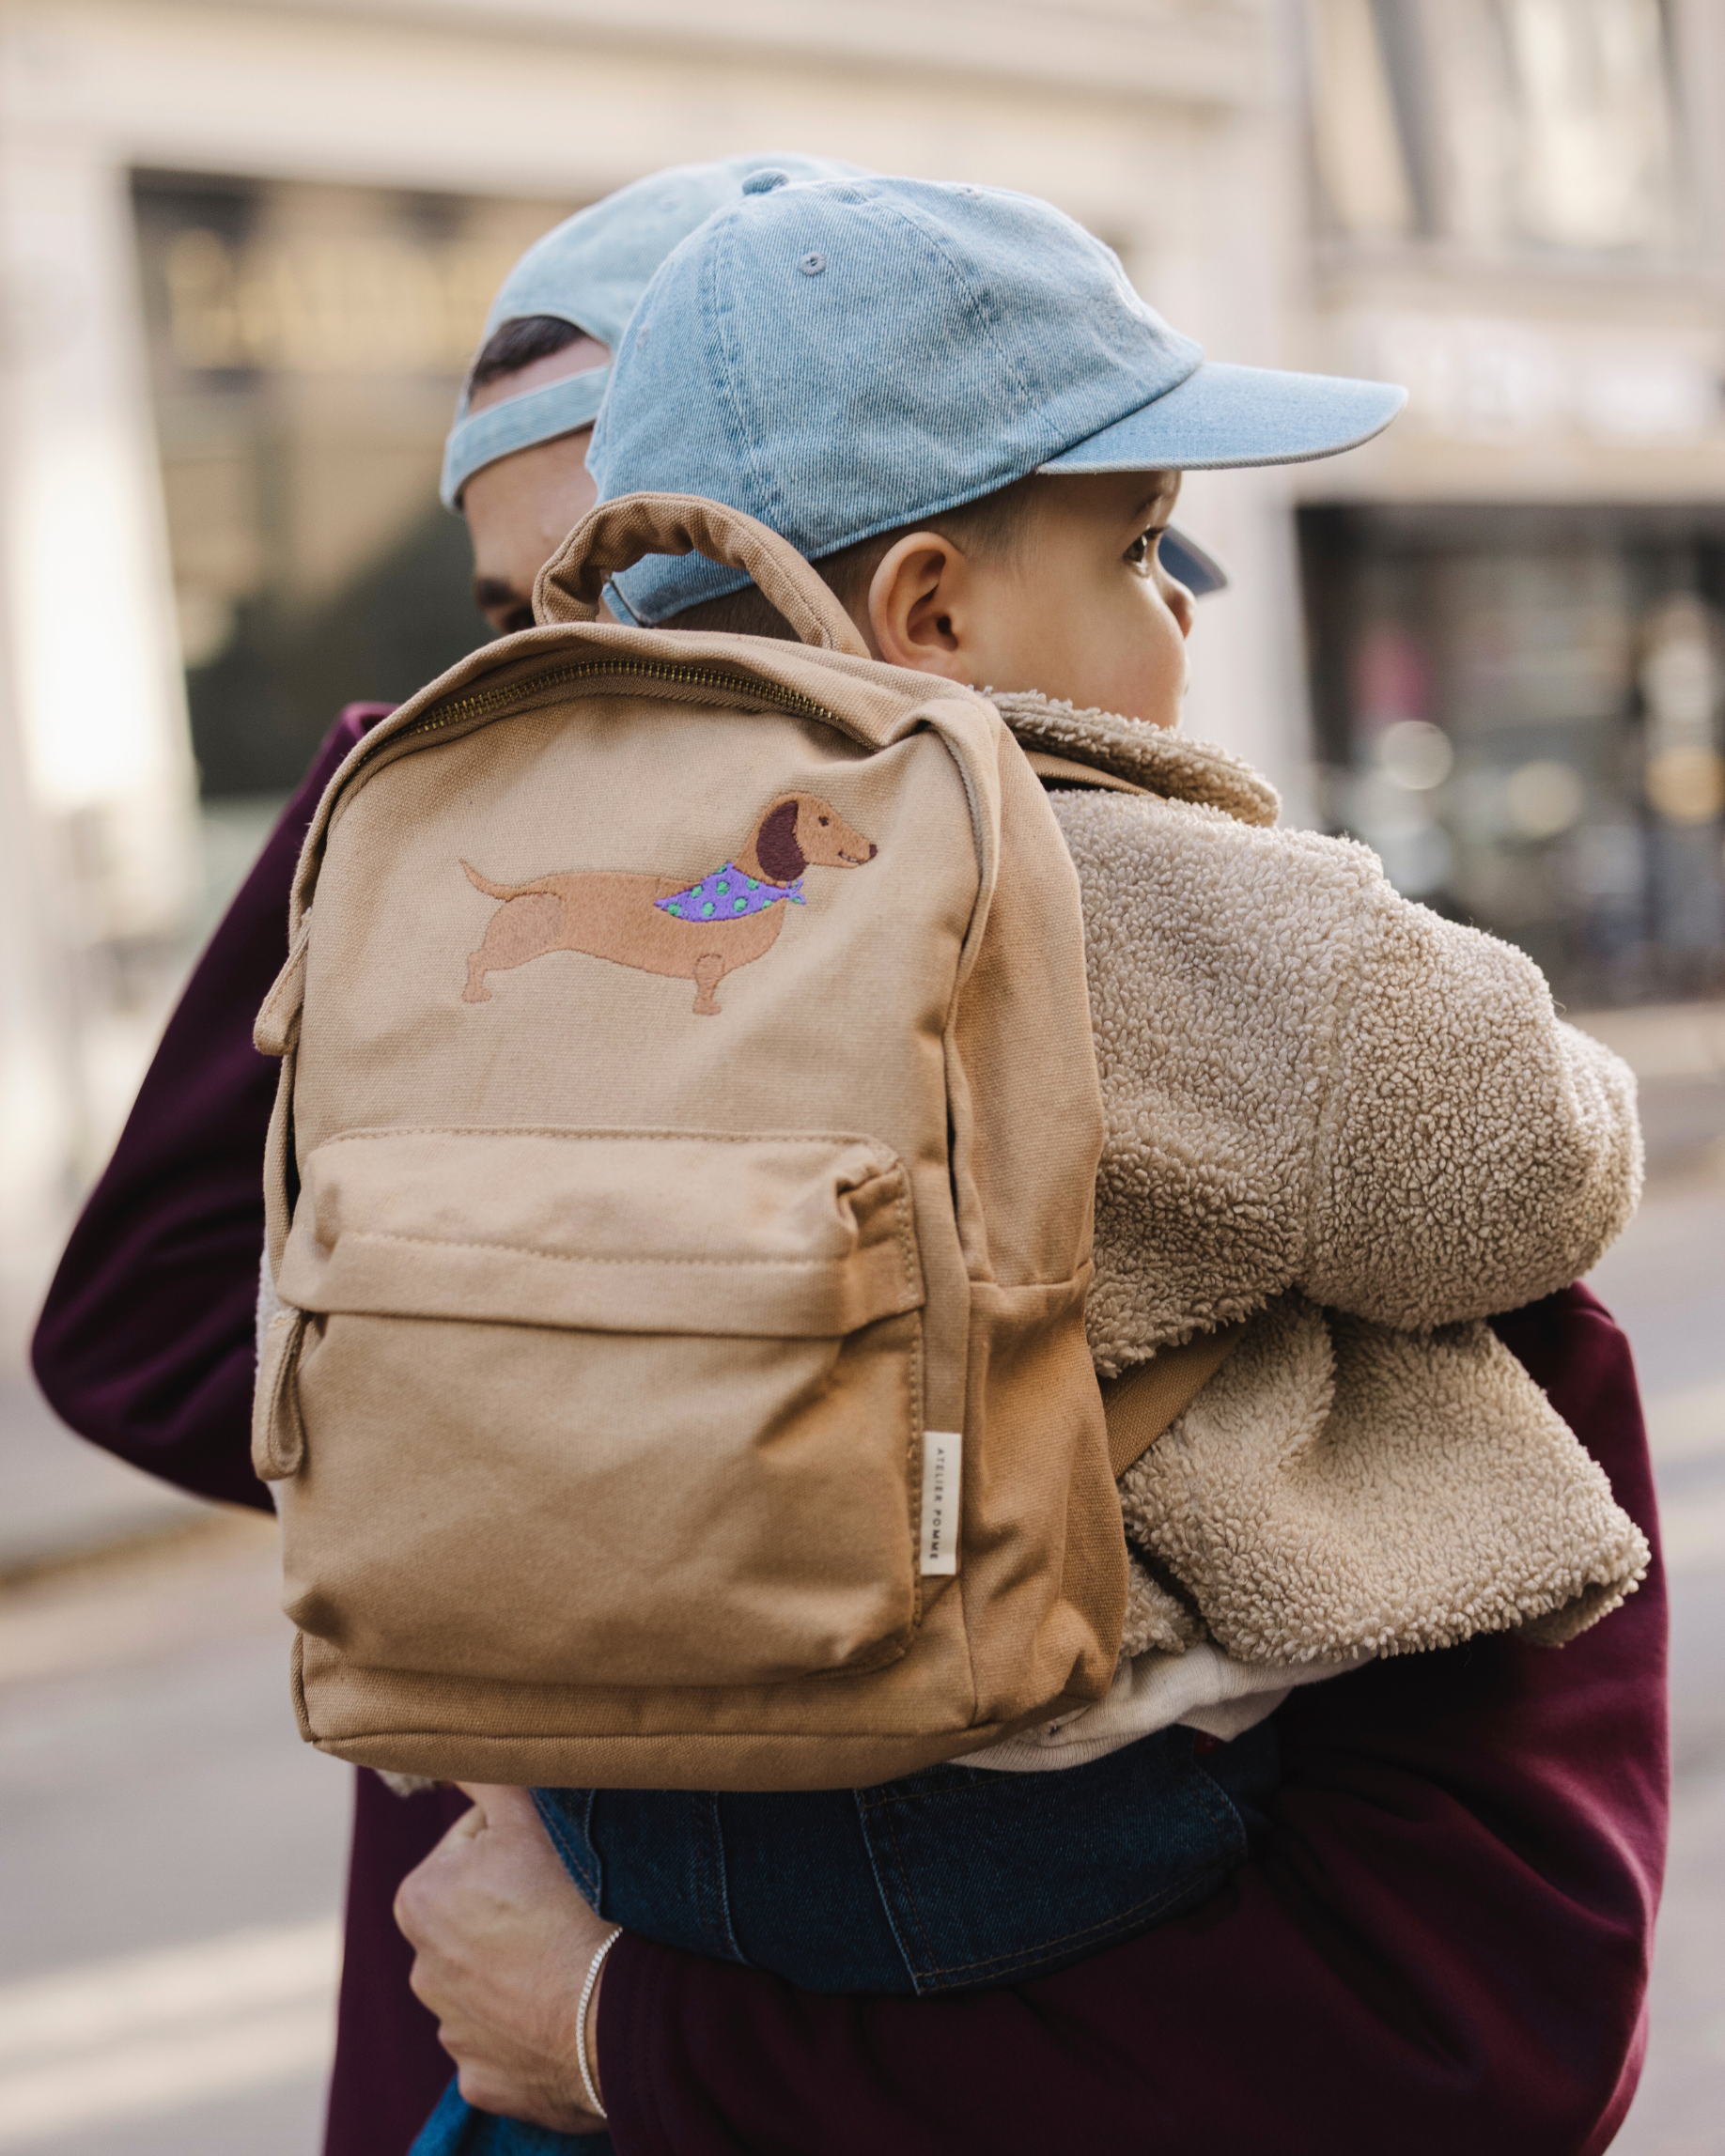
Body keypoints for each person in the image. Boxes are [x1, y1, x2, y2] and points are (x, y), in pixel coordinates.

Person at [401, 173, 1649, 2150]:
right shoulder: (1141, 896)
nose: (1177, 610)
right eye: (1148, 544)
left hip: (629, 1809)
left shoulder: (608, 921)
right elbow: (1516, 1161)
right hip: (1025, 1835)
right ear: (933, 614)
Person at [28, 150, 860, 2156]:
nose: (556, 685)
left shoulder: (1048, 926)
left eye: (630, 596)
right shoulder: (457, 884)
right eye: (502, 627)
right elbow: (136, 1327)